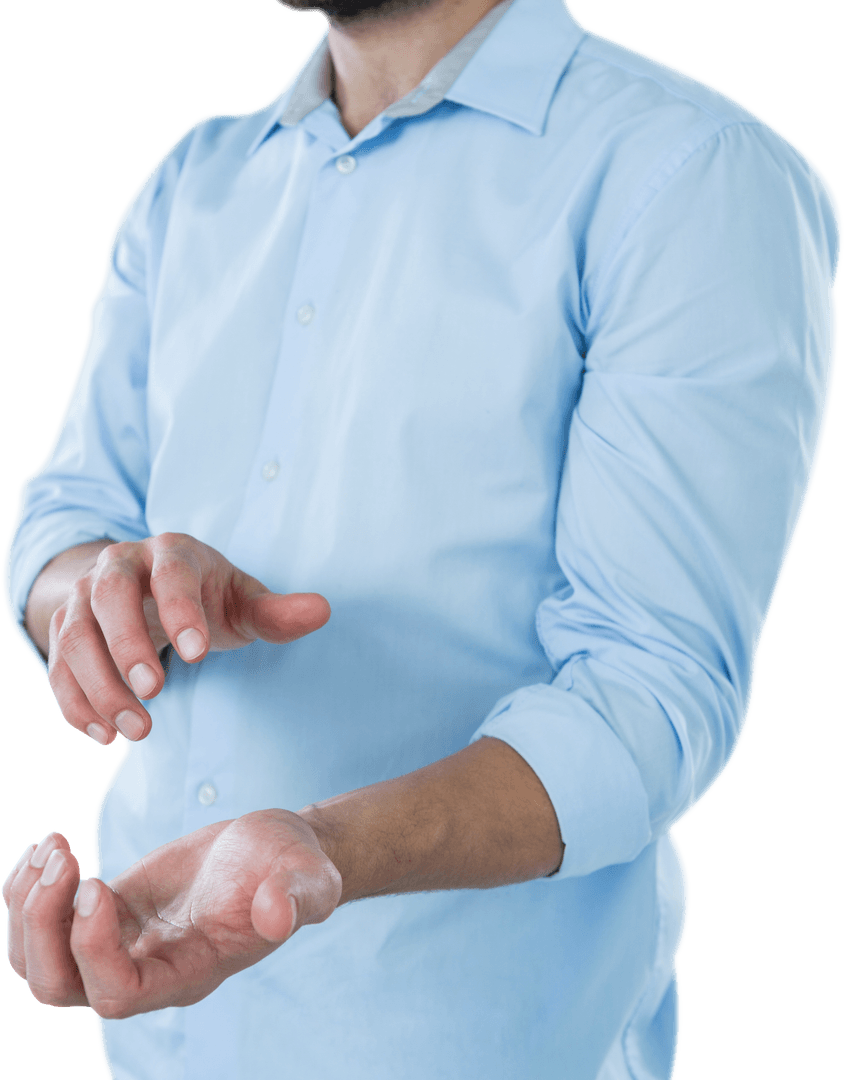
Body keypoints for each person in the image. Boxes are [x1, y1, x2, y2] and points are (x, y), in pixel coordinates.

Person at [1, 0, 840, 1076]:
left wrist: (324, 848)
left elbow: (645, 696)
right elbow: (66, 516)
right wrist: (99, 591)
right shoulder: (194, 180)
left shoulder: (693, 176)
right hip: (159, 1040)